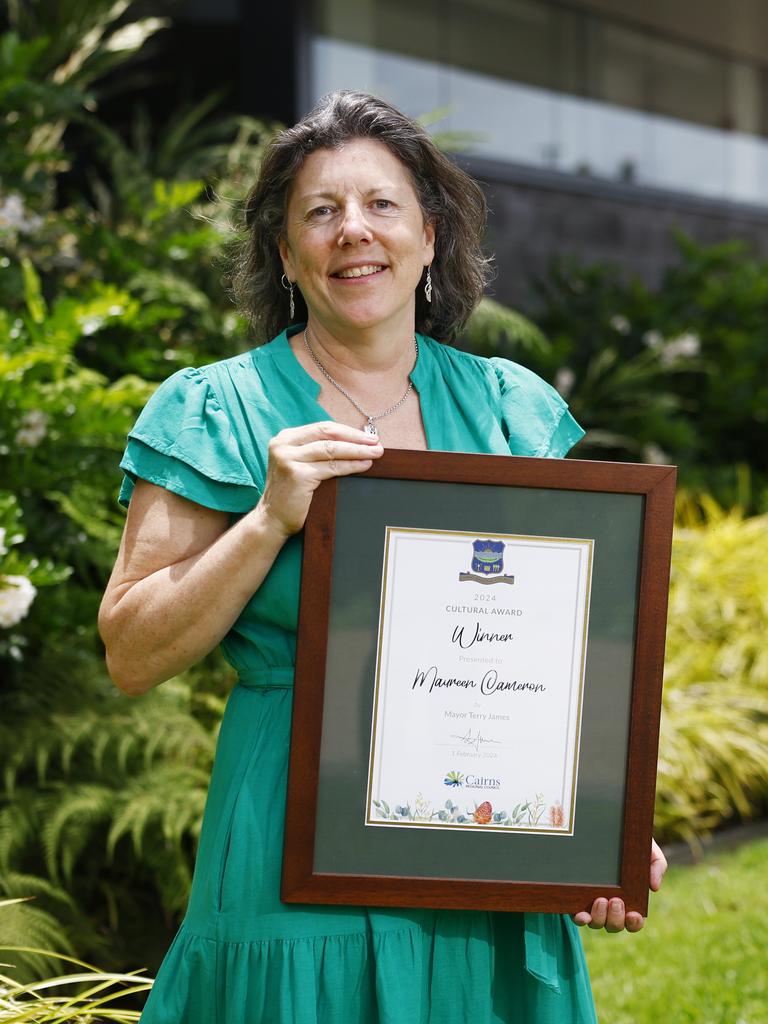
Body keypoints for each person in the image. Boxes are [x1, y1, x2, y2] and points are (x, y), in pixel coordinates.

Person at [99, 90, 666, 1024]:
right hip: (290, 832)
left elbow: (572, 656)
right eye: (319, 212)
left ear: (431, 237)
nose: (351, 232)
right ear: (286, 255)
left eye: (381, 205)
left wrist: (602, 828)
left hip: (484, 843)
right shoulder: (215, 408)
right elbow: (131, 654)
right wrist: (268, 520)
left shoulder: (506, 410)